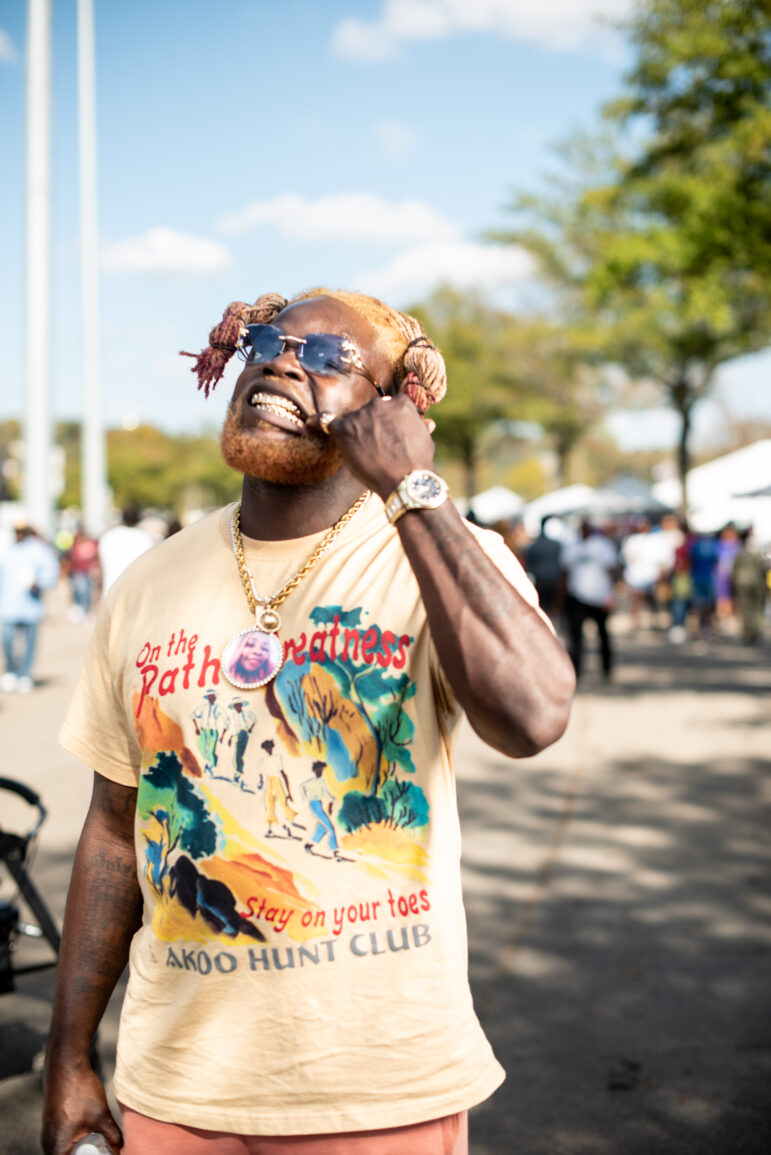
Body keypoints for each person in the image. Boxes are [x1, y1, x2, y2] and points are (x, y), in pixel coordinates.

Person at [44, 287, 575, 1155]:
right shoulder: (148, 582)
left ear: (393, 409)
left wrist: (412, 488)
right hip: (172, 1088)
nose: (283, 361)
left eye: (330, 358)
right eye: (268, 341)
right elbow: (112, 830)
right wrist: (69, 1058)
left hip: (376, 1092)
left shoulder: (441, 550)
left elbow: (534, 715)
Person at [0, 521, 60, 693]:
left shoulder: (39, 550)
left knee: (29, 643)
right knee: (7, 641)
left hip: (31, 606)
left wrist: (39, 583)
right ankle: (12, 670)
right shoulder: (6, 550)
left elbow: (50, 573)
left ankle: (25, 674)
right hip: (8, 606)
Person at [562, 519, 619, 680]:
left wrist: (611, 594)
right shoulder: (571, 547)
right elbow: (565, 573)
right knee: (576, 638)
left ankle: (607, 669)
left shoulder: (603, 546)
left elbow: (612, 571)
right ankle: (576, 671)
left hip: (600, 597)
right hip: (577, 596)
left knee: (603, 635)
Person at [97, 505, 154, 595]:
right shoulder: (144, 537)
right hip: (136, 592)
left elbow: (100, 566)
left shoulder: (109, 536)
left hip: (111, 590)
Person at [524, 516, 564, 622]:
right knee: (552, 611)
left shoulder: (533, 546)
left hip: (541, 581)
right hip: (552, 581)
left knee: (543, 610)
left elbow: (529, 565)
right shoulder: (556, 545)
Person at [731, 528, 767, 644]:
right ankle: (754, 630)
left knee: (747, 608)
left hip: (744, 582)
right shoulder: (759, 555)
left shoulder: (741, 554)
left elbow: (734, 570)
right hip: (756, 583)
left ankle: (749, 631)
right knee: (755, 608)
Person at [65, 526, 100, 622]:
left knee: (86, 592)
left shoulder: (90, 544)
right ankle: (80, 611)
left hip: (87, 572)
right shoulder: (75, 544)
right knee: (80, 592)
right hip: (78, 572)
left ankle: (85, 611)